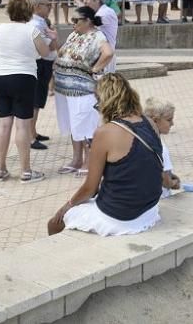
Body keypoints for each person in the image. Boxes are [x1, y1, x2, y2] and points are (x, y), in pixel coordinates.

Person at [48, 73, 163, 236]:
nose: (98, 107)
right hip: (149, 208)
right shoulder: (149, 123)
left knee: (54, 223)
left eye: (98, 101)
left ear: (106, 101)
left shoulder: (105, 133)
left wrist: (67, 205)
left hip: (121, 216)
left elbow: (90, 188)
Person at [0, 0, 53, 184]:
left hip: (0, 78)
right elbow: (45, 53)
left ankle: (0, 169)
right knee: (22, 125)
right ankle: (25, 171)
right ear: (29, 12)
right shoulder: (32, 31)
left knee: (4, 123)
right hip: (24, 77)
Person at [54, 5, 115, 176]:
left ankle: (90, 161)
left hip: (83, 89)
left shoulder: (97, 36)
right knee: (75, 125)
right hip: (65, 88)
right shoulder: (75, 34)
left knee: (87, 125)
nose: (73, 23)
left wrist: (95, 69)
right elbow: (63, 53)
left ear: (88, 20)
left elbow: (108, 53)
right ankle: (76, 159)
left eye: (76, 20)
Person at [29, 0, 58, 150]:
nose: (50, 7)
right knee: (35, 101)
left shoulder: (39, 22)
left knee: (38, 101)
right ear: (37, 6)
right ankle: (30, 136)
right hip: (39, 63)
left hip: (42, 64)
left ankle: (33, 131)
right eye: (47, 5)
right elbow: (50, 47)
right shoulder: (36, 24)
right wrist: (54, 37)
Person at [143, 98, 180, 198]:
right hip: (159, 197)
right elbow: (165, 182)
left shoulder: (140, 138)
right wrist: (174, 182)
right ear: (155, 120)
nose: (172, 124)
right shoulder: (160, 147)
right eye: (169, 120)